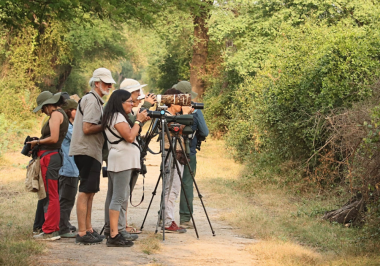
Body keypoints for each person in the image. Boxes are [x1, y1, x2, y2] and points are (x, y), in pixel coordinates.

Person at [69, 67, 115, 245]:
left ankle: (88, 228)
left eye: (110, 83)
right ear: (97, 83)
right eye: (106, 82)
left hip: (92, 151)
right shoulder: (90, 99)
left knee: (91, 191)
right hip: (86, 149)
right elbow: (87, 128)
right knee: (85, 190)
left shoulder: (97, 100)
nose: (109, 85)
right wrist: (107, 124)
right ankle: (81, 232)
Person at [102, 89, 149, 247]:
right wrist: (138, 121)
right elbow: (129, 136)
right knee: (119, 197)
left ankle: (112, 230)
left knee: (114, 196)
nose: (132, 103)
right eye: (129, 101)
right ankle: (114, 235)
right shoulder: (116, 116)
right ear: (119, 102)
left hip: (121, 159)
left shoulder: (115, 115)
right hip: (122, 160)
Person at [29, 91, 69, 241]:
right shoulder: (61, 114)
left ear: (48, 105)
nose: (42, 111)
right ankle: (50, 228)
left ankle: (50, 230)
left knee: (51, 195)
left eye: (42, 107)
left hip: (50, 157)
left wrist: (37, 142)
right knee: (51, 194)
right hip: (52, 156)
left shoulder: (55, 115)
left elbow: (53, 138)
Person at [119, 78, 156, 234]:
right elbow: (130, 128)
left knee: (126, 192)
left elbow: (136, 125)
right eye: (136, 92)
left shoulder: (130, 109)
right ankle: (120, 226)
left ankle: (123, 223)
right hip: (123, 155)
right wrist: (146, 106)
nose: (139, 95)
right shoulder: (121, 111)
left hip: (131, 154)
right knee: (122, 193)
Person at [174, 81, 209, 228]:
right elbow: (205, 132)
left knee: (169, 184)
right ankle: (185, 219)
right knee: (187, 184)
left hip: (172, 150)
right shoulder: (195, 109)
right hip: (189, 151)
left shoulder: (171, 108)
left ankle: (163, 216)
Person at [161, 88, 192, 233]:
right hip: (171, 154)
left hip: (175, 153)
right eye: (179, 101)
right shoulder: (166, 116)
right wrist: (185, 114)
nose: (182, 104)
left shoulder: (173, 115)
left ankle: (166, 218)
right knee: (171, 189)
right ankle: (167, 221)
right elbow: (177, 130)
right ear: (171, 102)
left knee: (172, 188)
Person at [58, 99, 80, 238]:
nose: (78, 113)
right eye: (75, 110)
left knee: (68, 199)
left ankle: (65, 223)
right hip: (68, 168)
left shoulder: (70, 126)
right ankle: (63, 228)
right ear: (69, 111)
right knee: (66, 199)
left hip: (71, 168)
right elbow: (79, 137)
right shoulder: (68, 128)